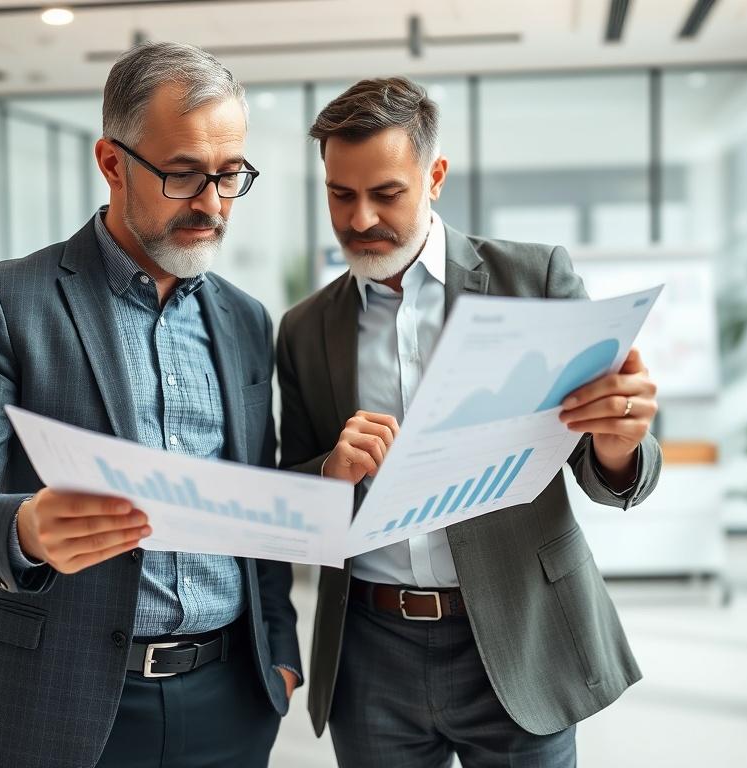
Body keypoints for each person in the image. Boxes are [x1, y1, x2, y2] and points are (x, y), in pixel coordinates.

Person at [0, 42, 299, 768]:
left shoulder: (246, 320)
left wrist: (279, 653)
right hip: (59, 704)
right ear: (113, 163)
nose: (213, 203)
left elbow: (259, 511)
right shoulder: (9, 301)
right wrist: (22, 526)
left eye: (230, 175)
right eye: (182, 175)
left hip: (231, 703)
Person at [277, 77, 662, 768]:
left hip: (517, 638)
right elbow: (294, 499)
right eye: (341, 195)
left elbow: (606, 468)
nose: (360, 219)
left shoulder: (533, 279)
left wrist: (616, 448)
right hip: (371, 651)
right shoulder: (305, 329)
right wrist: (332, 473)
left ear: (436, 177)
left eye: (386, 193)